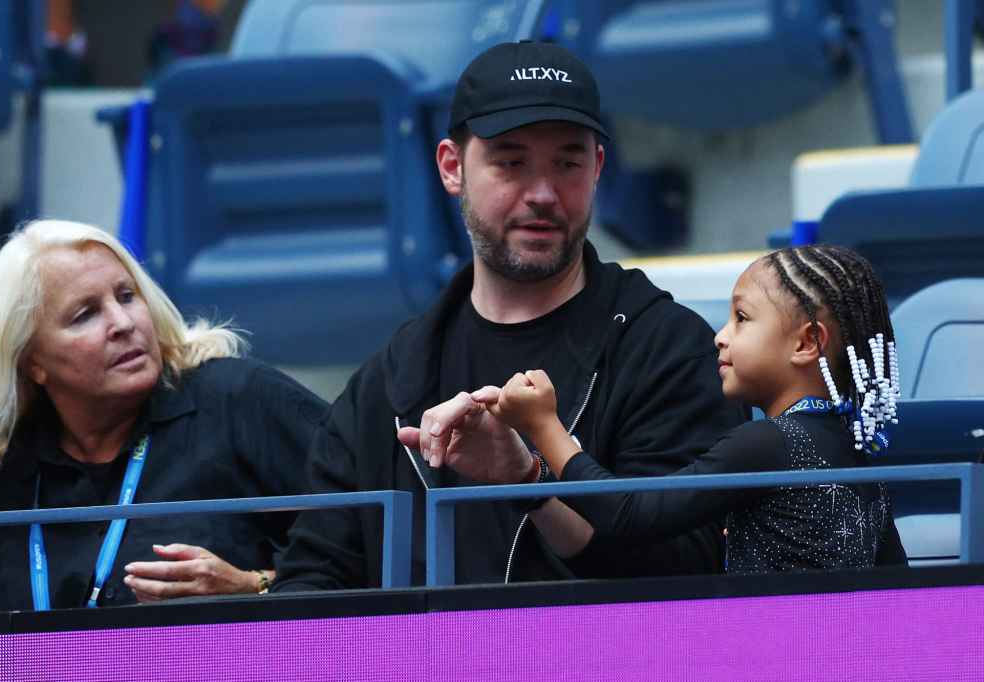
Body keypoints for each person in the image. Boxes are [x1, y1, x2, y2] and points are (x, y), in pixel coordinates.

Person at [273, 41, 745, 592]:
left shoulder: (666, 348)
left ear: (596, 169)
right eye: (511, 162)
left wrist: (531, 481)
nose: (543, 194)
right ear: (453, 167)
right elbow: (313, 581)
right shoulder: (390, 380)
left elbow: (691, 581)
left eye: (567, 162)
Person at [0, 219, 326, 612]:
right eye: (85, 314)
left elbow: (376, 545)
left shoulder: (242, 400)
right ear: (32, 362)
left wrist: (254, 586)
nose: (123, 323)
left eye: (127, 296)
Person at [478, 245, 907, 572]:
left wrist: (543, 426)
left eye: (742, 318)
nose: (721, 336)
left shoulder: (765, 444)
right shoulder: (856, 454)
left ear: (806, 343)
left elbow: (629, 514)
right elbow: (898, 581)